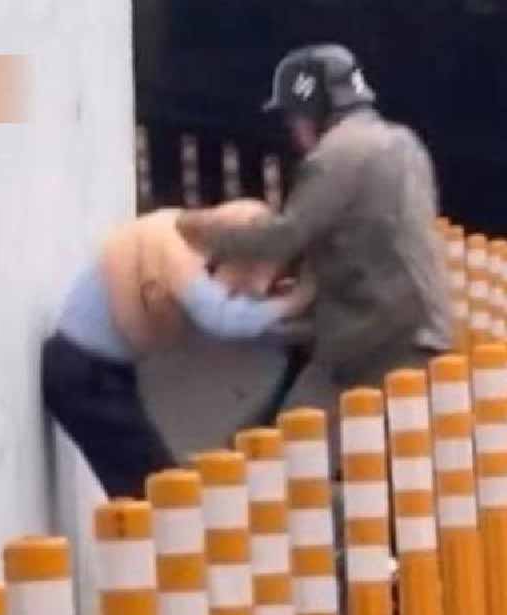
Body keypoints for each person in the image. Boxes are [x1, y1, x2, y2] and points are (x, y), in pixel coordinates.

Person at [182, 44, 452, 460]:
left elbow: (282, 236)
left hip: (376, 345)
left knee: (291, 454)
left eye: (292, 118)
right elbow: (369, 237)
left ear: (313, 111)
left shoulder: (335, 156)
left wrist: (202, 231)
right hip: (418, 330)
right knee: (387, 465)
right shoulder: (404, 143)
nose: (293, 132)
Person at [42, 199, 313, 501]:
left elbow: (233, 315)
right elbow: (223, 318)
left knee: (152, 487)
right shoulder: (176, 250)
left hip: (99, 370)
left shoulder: (183, 242)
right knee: (157, 489)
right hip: (85, 371)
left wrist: (279, 309)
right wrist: (294, 302)